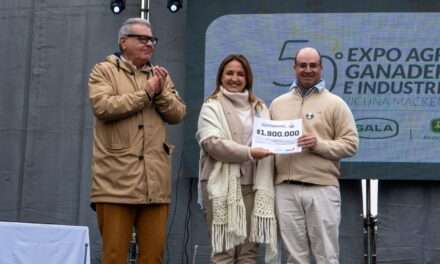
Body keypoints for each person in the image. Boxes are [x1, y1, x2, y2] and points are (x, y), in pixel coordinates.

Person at [88, 17, 186, 264]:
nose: (149, 44)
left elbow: (178, 114)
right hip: (115, 183)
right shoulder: (103, 71)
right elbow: (103, 106)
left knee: (154, 257)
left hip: (155, 184)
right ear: (123, 42)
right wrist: (146, 93)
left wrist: (161, 92)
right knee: (113, 257)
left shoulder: (159, 75)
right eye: (141, 39)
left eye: (152, 39)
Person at [270, 47, 359, 264]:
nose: (308, 70)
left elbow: (351, 145)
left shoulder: (336, 104)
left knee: (326, 256)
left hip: (322, 188)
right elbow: (269, 146)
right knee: (294, 258)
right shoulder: (277, 104)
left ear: (321, 68)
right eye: (303, 65)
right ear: (295, 68)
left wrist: (318, 145)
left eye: (313, 65)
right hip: (285, 189)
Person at [196, 54, 278, 263]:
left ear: (247, 78)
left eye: (240, 74)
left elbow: (271, 141)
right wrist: (249, 153)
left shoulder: (260, 107)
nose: (234, 78)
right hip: (219, 186)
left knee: (248, 254)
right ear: (221, 77)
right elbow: (211, 143)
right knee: (223, 252)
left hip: (253, 186)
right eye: (229, 73)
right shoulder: (211, 106)